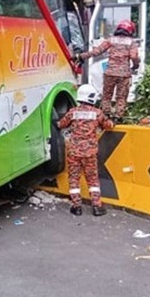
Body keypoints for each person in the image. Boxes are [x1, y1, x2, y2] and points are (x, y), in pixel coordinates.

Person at [57, 84, 114, 216]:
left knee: (74, 179)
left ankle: (76, 206)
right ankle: (97, 206)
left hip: (74, 152)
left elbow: (61, 124)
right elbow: (108, 125)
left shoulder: (72, 112)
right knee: (92, 179)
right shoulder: (97, 113)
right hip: (90, 153)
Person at [75, 19, 140, 121]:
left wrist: (82, 56)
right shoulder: (131, 42)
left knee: (107, 96)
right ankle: (118, 117)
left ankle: (106, 116)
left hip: (109, 73)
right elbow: (134, 56)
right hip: (124, 74)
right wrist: (136, 65)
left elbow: (97, 51)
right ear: (131, 31)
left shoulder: (111, 40)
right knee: (121, 97)